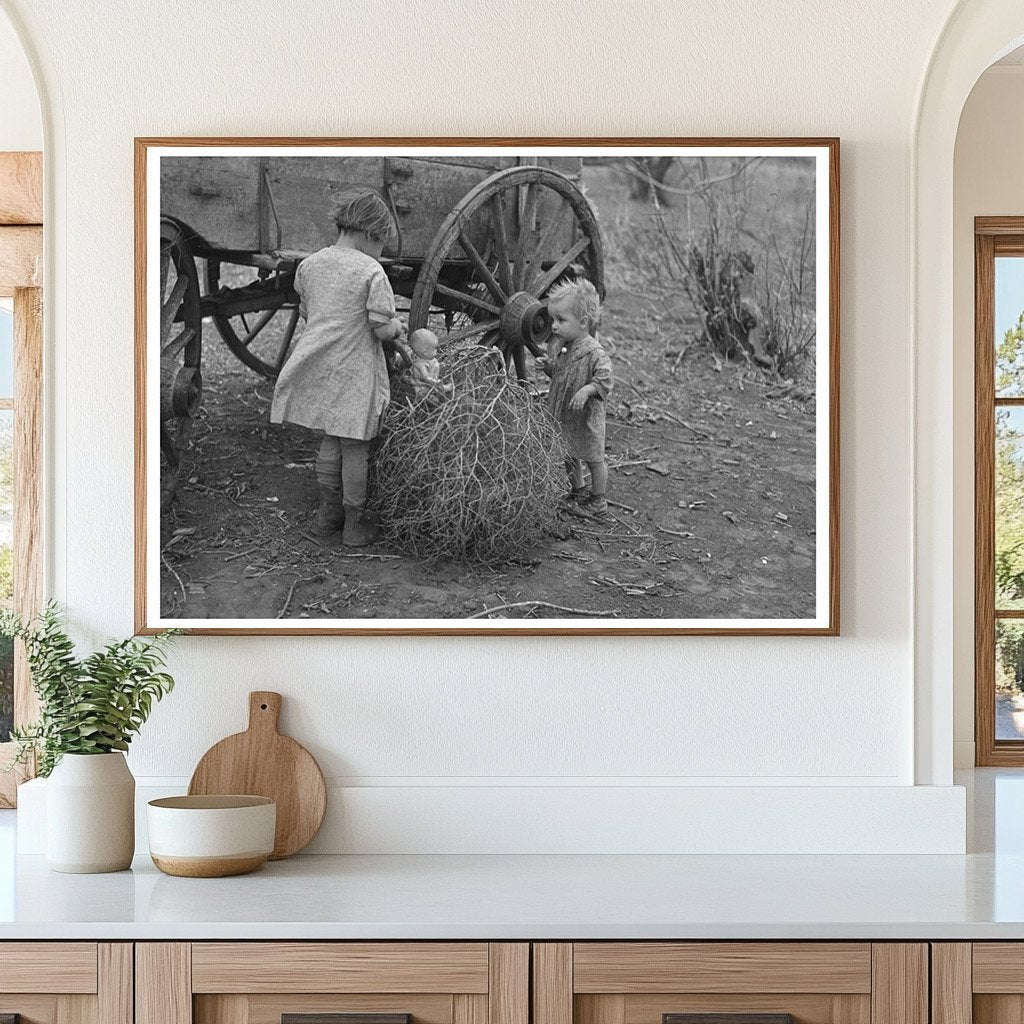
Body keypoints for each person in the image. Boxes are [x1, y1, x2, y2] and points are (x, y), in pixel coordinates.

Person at [270, 188, 406, 546]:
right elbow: (380, 327)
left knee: (330, 438)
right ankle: (354, 523)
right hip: (355, 374)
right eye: (382, 244)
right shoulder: (371, 272)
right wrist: (397, 329)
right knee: (356, 447)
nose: (382, 253)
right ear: (370, 234)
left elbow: (307, 314)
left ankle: (325, 515)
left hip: (322, 368)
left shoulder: (310, 265)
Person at [539, 278, 613, 516]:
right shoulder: (566, 347)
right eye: (553, 320)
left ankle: (598, 500)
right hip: (567, 415)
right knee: (569, 453)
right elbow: (563, 375)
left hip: (585, 418)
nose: (554, 326)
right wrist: (549, 367)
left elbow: (605, 379)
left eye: (561, 320)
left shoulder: (594, 352)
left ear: (583, 323)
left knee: (594, 458)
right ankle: (578, 490)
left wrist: (587, 389)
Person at [407, 328, 453, 398]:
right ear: (425, 352)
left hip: (429, 385)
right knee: (431, 395)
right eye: (434, 349)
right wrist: (435, 382)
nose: (436, 351)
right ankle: (439, 390)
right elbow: (426, 378)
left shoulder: (429, 360)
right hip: (422, 387)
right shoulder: (421, 365)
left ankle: (435, 392)